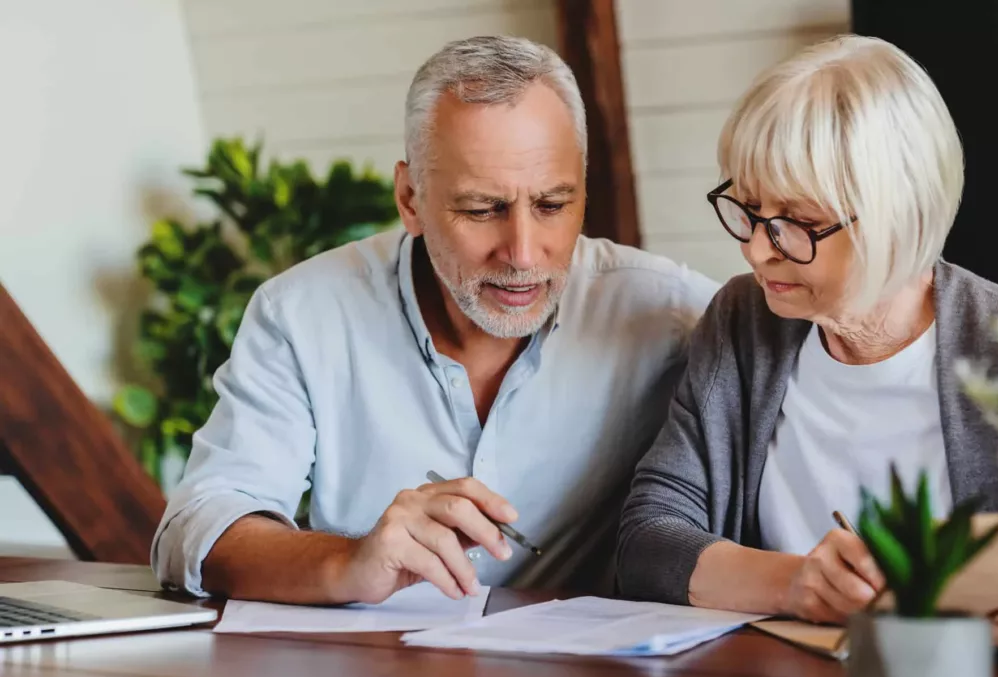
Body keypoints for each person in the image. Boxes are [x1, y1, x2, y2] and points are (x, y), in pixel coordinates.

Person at [615, 34, 998, 646]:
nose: (756, 248)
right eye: (749, 209)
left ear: (898, 215)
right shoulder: (742, 322)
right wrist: (796, 582)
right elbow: (648, 538)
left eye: (798, 223)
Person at [151, 35, 717, 604]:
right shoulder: (302, 315)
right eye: (481, 209)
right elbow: (197, 527)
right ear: (410, 199)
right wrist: (350, 562)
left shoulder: (669, 313)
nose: (522, 253)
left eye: (552, 205)